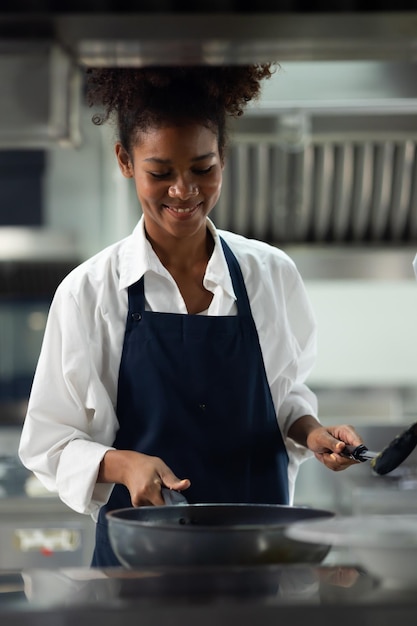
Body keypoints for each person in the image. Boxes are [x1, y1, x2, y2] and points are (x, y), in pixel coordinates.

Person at [19, 64, 363, 567]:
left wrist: (313, 434)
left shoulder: (271, 274)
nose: (184, 191)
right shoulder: (89, 292)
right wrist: (123, 464)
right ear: (124, 160)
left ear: (223, 157)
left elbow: (283, 397)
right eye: (160, 173)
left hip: (260, 559)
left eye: (203, 168)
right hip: (136, 570)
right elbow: (49, 442)